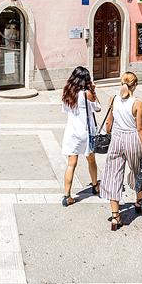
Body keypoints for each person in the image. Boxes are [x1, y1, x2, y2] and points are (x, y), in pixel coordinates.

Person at [99, 72, 142, 231]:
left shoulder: (113, 99)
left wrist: (109, 134)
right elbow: (140, 128)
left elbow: (109, 123)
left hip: (116, 138)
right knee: (137, 171)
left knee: (113, 175)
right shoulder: (137, 103)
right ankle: (138, 201)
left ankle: (115, 216)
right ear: (135, 85)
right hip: (132, 139)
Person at [59, 67, 101, 206]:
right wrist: (94, 91)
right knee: (91, 160)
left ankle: (67, 196)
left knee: (71, 164)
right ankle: (95, 185)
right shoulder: (87, 93)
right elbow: (98, 107)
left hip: (72, 132)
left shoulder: (67, 92)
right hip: (86, 133)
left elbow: (65, 110)